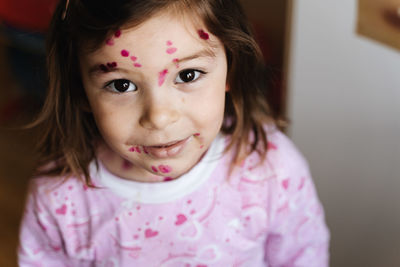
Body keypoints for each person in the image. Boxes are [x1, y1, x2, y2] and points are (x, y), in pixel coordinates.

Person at [18, 0, 330, 266]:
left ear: (231, 68)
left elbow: (304, 255)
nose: (159, 117)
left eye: (188, 75)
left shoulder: (271, 169)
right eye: (121, 85)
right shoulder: (59, 198)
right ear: (81, 91)